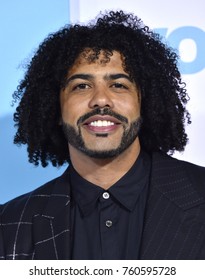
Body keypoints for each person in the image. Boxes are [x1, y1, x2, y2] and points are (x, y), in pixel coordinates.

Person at [0, 10, 205, 260]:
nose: (100, 100)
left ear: (145, 103)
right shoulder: (9, 225)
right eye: (81, 86)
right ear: (56, 108)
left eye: (118, 85)